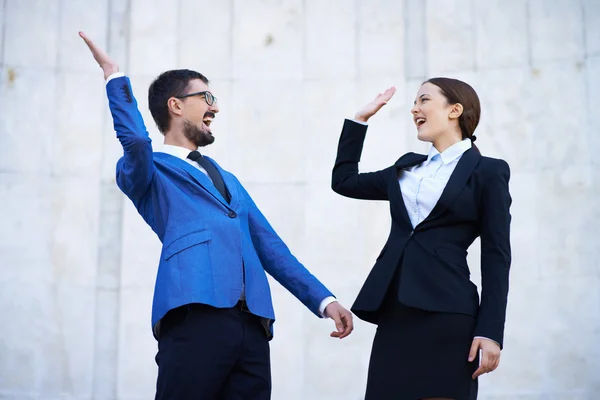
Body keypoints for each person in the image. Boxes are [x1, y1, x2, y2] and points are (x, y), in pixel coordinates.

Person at [79, 32, 353, 400]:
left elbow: (271, 248)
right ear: (175, 105)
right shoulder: (148, 173)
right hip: (194, 316)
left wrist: (323, 300)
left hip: (253, 327)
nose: (215, 108)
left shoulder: (229, 180)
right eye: (206, 98)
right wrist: (114, 76)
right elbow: (138, 142)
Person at [331, 78, 511, 400]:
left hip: (449, 315)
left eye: (424, 100)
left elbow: (497, 256)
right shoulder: (406, 169)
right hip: (396, 312)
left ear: (454, 110)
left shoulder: (488, 172)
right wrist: (359, 121)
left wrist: (491, 330)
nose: (414, 108)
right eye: (415, 102)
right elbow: (344, 182)